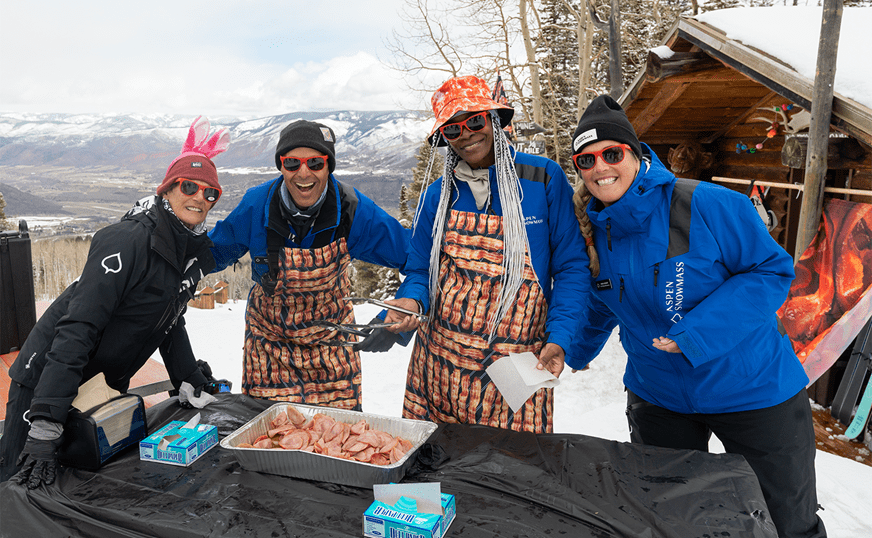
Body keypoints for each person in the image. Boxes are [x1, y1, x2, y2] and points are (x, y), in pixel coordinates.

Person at [561, 94, 826, 538]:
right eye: (586, 160)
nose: (600, 167)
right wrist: (566, 349)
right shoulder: (591, 231)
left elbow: (771, 272)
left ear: (636, 154)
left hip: (752, 391)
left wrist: (697, 333)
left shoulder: (708, 204)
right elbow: (600, 302)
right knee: (669, 518)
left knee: (786, 519)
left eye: (612, 153)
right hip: (659, 397)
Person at [0, 116, 229, 488]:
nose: (200, 198)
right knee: (21, 483)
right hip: (46, 382)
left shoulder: (188, 252)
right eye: (189, 186)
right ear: (167, 189)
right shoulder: (127, 241)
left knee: (77, 486)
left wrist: (187, 377)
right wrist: (44, 422)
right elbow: (78, 327)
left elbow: (169, 319)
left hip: (101, 386)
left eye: (210, 193)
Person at [385, 75, 590, 433]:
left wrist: (559, 339)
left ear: (494, 120)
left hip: (517, 369)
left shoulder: (541, 180)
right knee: (435, 471)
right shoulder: (438, 195)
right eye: (452, 130)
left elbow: (572, 267)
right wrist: (410, 302)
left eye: (474, 121)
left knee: (511, 474)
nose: (466, 134)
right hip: (440, 366)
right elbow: (420, 269)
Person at [208, 120, 411, 411]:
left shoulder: (352, 210)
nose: (304, 173)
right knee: (271, 443)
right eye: (292, 163)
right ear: (281, 166)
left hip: (332, 352)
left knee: (338, 442)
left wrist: (401, 313)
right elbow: (213, 254)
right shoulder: (257, 205)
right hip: (268, 350)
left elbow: (414, 258)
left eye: (316, 162)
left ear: (329, 166)